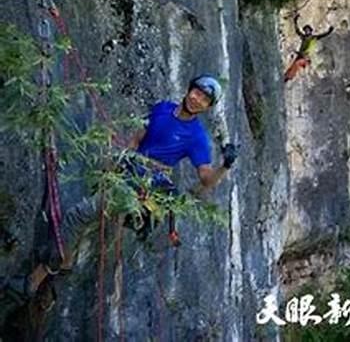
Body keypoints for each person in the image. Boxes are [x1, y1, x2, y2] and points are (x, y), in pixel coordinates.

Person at [1, 74, 237, 304]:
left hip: (144, 187)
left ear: (206, 108)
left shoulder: (197, 137)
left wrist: (225, 165)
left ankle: (36, 279)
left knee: (77, 216)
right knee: (88, 212)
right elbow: (138, 137)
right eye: (197, 92)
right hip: (127, 169)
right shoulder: (163, 108)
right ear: (189, 89)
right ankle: (64, 262)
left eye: (204, 99)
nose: (197, 99)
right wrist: (120, 158)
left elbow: (206, 178)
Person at [284, 13, 334, 82]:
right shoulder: (303, 37)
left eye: (308, 30)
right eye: (306, 31)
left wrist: (329, 31)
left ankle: (289, 77)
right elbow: (297, 31)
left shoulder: (314, 38)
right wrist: (295, 21)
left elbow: (323, 35)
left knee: (297, 63)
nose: (307, 32)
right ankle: (286, 77)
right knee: (292, 66)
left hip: (306, 58)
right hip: (300, 56)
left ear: (310, 31)